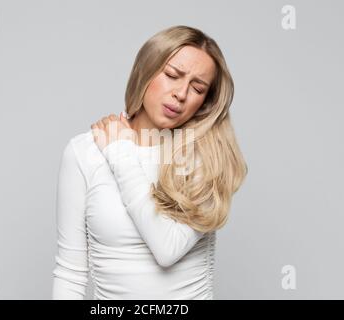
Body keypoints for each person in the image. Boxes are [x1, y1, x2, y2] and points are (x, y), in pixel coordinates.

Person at [52, 25, 248, 300]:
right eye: (172, 75)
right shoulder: (84, 152)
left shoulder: (209, 157)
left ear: (205, 102)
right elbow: (70, 272)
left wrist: (121, 154)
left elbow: (167, 248)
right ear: (145, 71)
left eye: (197, 88)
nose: (181, 93)